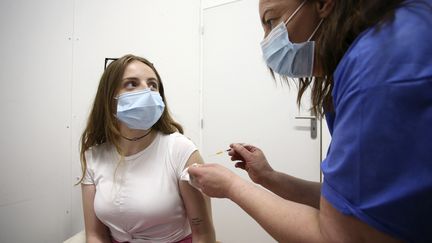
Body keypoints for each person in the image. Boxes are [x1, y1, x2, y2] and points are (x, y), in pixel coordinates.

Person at [188, 0, 432, 242]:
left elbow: (339, 235)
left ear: (323, 4)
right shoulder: (389, 41)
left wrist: (231, 186)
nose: (266, 41)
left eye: (271, 21)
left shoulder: (379, 67)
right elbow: (348, 204)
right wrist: (269, 177)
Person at [78, 54, 216, 243]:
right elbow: (95, 234)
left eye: (153, 85)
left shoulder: (181, 150)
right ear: (109, 97)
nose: (148, 91)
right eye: (132, 84)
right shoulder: (94, 156)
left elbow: (203, 235)